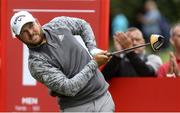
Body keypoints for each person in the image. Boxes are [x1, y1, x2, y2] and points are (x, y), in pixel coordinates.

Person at [10, 11, 114, 112]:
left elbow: (83, 25)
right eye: (24, 32)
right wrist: (94, 63)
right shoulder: (36, 63)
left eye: (31, 26)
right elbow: (69, 88)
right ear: (19, 38)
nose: (31, 33)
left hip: (104, 98)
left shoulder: (57, 24)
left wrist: (92, 48)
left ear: (37, 22)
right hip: (77, 107)